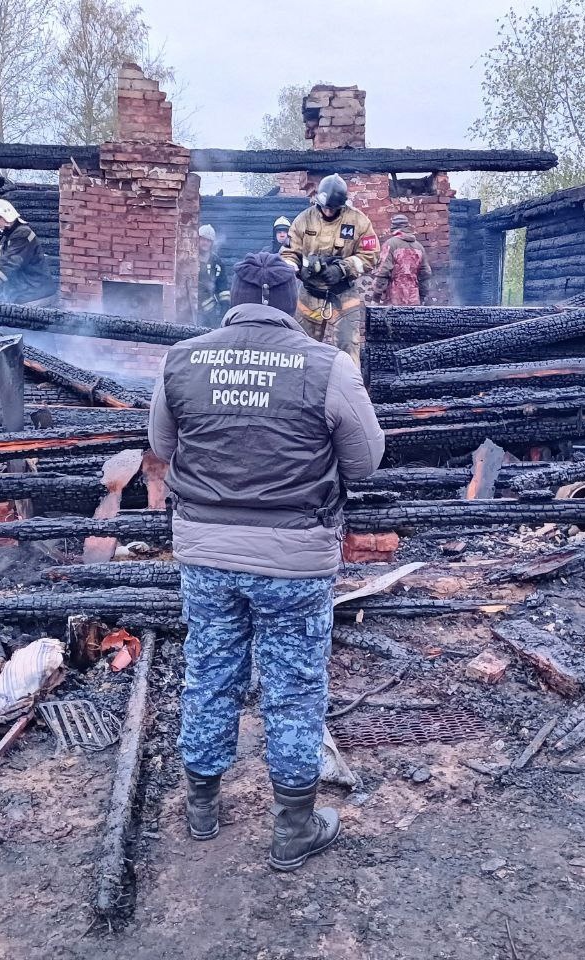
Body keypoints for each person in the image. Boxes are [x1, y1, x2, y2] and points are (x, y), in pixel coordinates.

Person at [148, 252, 385, 872]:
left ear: (231, 298)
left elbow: (161, 446)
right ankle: (292, 829)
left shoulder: (182, 358)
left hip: (206, 554)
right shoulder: (328, 365)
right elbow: (364, 463)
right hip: (296, 560)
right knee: (294, 689)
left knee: (210, 672)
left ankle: (202, 809)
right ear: (289, 303)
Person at [279, 174, 380, 366]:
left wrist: (342, 269)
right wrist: (297, 268)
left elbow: (371, 254)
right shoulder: (304, 219)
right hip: (309, 297)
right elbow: (288, 252)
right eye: (324, 207)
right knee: (300, 351)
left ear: (341, 205)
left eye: (332, 208)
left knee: (348, 350)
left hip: (343, 297)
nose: (327, 211)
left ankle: (348, 393)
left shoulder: (359, 221)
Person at [0, 199, 57, 303]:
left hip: (36, 292)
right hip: (26, 289)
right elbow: (1, 260)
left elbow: (7, 266)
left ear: (8, 214)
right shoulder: (9, 236)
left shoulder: (22, 234)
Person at [370, 214, 432, 306]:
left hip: (394, 298)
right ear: (407, 227)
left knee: (394, 320)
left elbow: (383, 271)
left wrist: (376, 297)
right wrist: (423, 296)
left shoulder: (390, 244)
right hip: (414, 299)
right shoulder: (419, 247)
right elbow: (425, 274)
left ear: (393, 227)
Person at [196, 224, 229, 327]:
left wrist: (225, 309)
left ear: (212, 243)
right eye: (203, 239)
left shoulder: (217, 263)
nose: (205, 243)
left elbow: (223, 287)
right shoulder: (191, 259)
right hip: (192, 307)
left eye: (208, 240)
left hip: (211, 311)